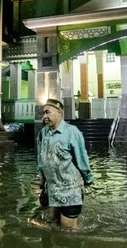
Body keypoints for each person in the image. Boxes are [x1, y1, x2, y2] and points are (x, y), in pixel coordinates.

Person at [36, 98, 94, 230]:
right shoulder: (43, 133)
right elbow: (41, 160)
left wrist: (88, 180)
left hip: (70, 190)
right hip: (52, 189)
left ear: (59, 113)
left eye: (48, 112)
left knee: (68, 229)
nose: (45, 116)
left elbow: (82, 158)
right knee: (53, 225)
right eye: (43, 113)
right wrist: (42, 183)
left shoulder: (72, 132)